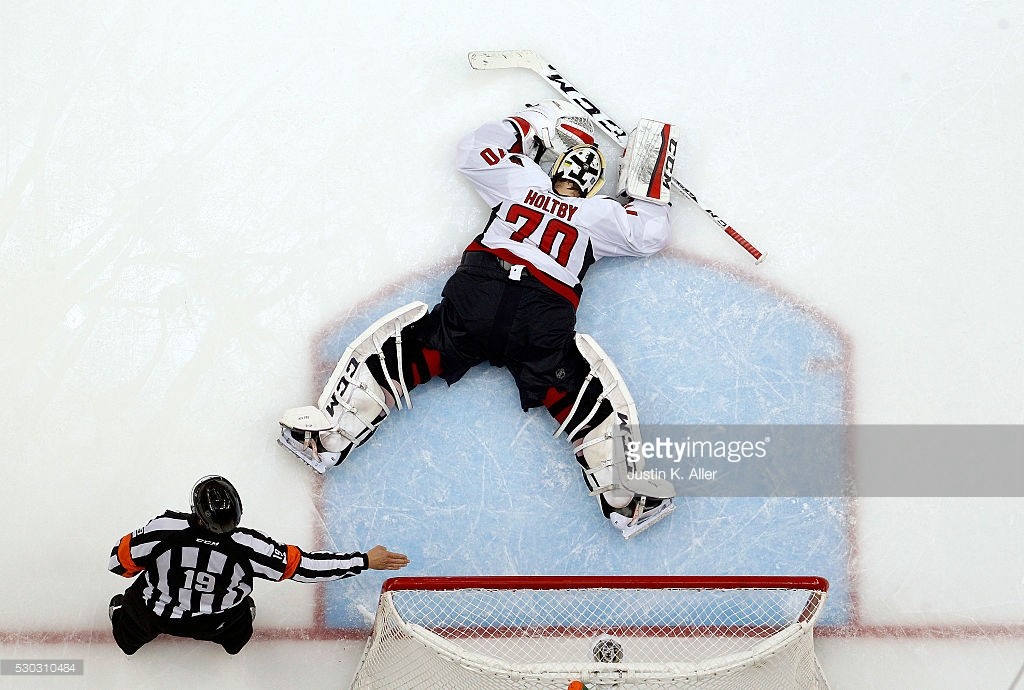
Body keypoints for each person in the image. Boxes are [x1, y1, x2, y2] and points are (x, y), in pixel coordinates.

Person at [279, 100, 679, 538]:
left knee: (402, 356)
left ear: (551, 165)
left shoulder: (521, 181)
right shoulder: (602, 215)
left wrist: (532, 121)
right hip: (540, 317)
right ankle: (626, 498)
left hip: (476, 299)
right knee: (582, 397)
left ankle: (329, 437)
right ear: (594, 187)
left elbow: (473, 149)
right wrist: (648, 176)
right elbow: (650, 233)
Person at [107, 475, 409, 655]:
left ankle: (127, 620)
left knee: (128, 636)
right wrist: (365, 560)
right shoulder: (248, 547)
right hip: (217, 621)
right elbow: (305, 568)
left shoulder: (165, 527)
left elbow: (119, 564)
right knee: (237, 636)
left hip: (154, 613)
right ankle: (232, 634)